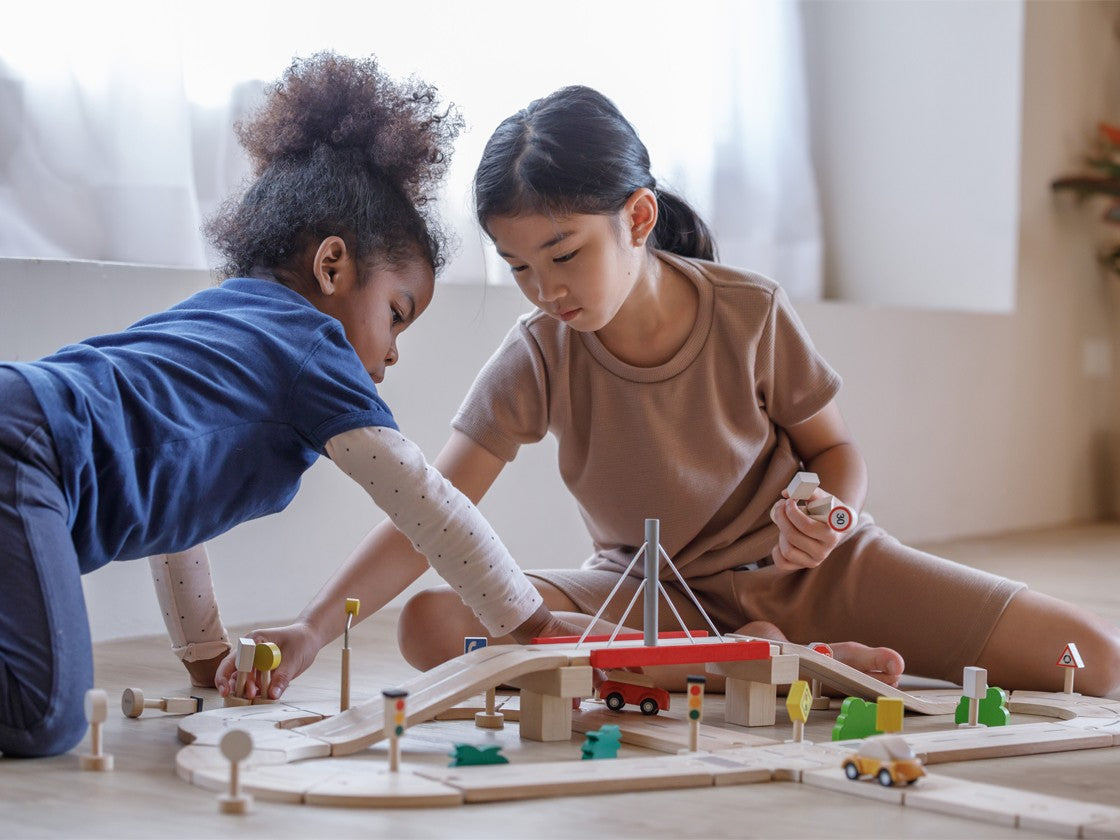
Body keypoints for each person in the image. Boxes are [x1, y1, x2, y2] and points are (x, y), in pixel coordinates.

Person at [217, 85, 1119, 702]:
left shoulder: (749, 310)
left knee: (1092, 660)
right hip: (643, 600)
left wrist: (831, 520)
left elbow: (837, 453)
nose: (546, 290)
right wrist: (306, 631)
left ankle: (774, 661)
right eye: (520, 268)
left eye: (565, 254)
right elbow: (431, 515)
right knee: (435, 624)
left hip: (817, 577)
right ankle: (776, 671)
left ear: (637, 218)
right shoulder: (538, 353)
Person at [0, 54, 573, 759]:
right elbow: (425, 504)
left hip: (23, 425)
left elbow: (174, 518)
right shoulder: (310, 347)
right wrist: (532, 627)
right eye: (396, 314)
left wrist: (206, 657)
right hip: (27, 448)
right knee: (44, 715)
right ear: (332, 267)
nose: (392, 353)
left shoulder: (222, 322)